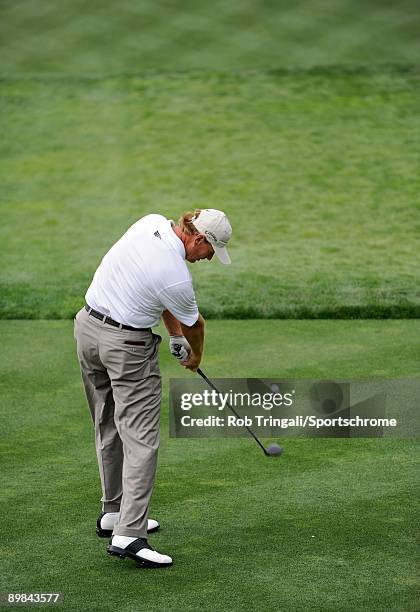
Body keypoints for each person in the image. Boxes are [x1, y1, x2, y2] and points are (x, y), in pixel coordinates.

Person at [73, 208, 232, 568]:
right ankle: (130, 533)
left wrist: (173, 335)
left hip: (87, 329)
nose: (208, 259)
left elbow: (154, 293)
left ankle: (113, 512)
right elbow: (197, 326)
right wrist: (194, 356)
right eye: (211, 251)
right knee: (142, 438)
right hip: (126, 346)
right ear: (199, 239)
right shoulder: (177, 275)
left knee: (108, 422)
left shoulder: (151, 223)